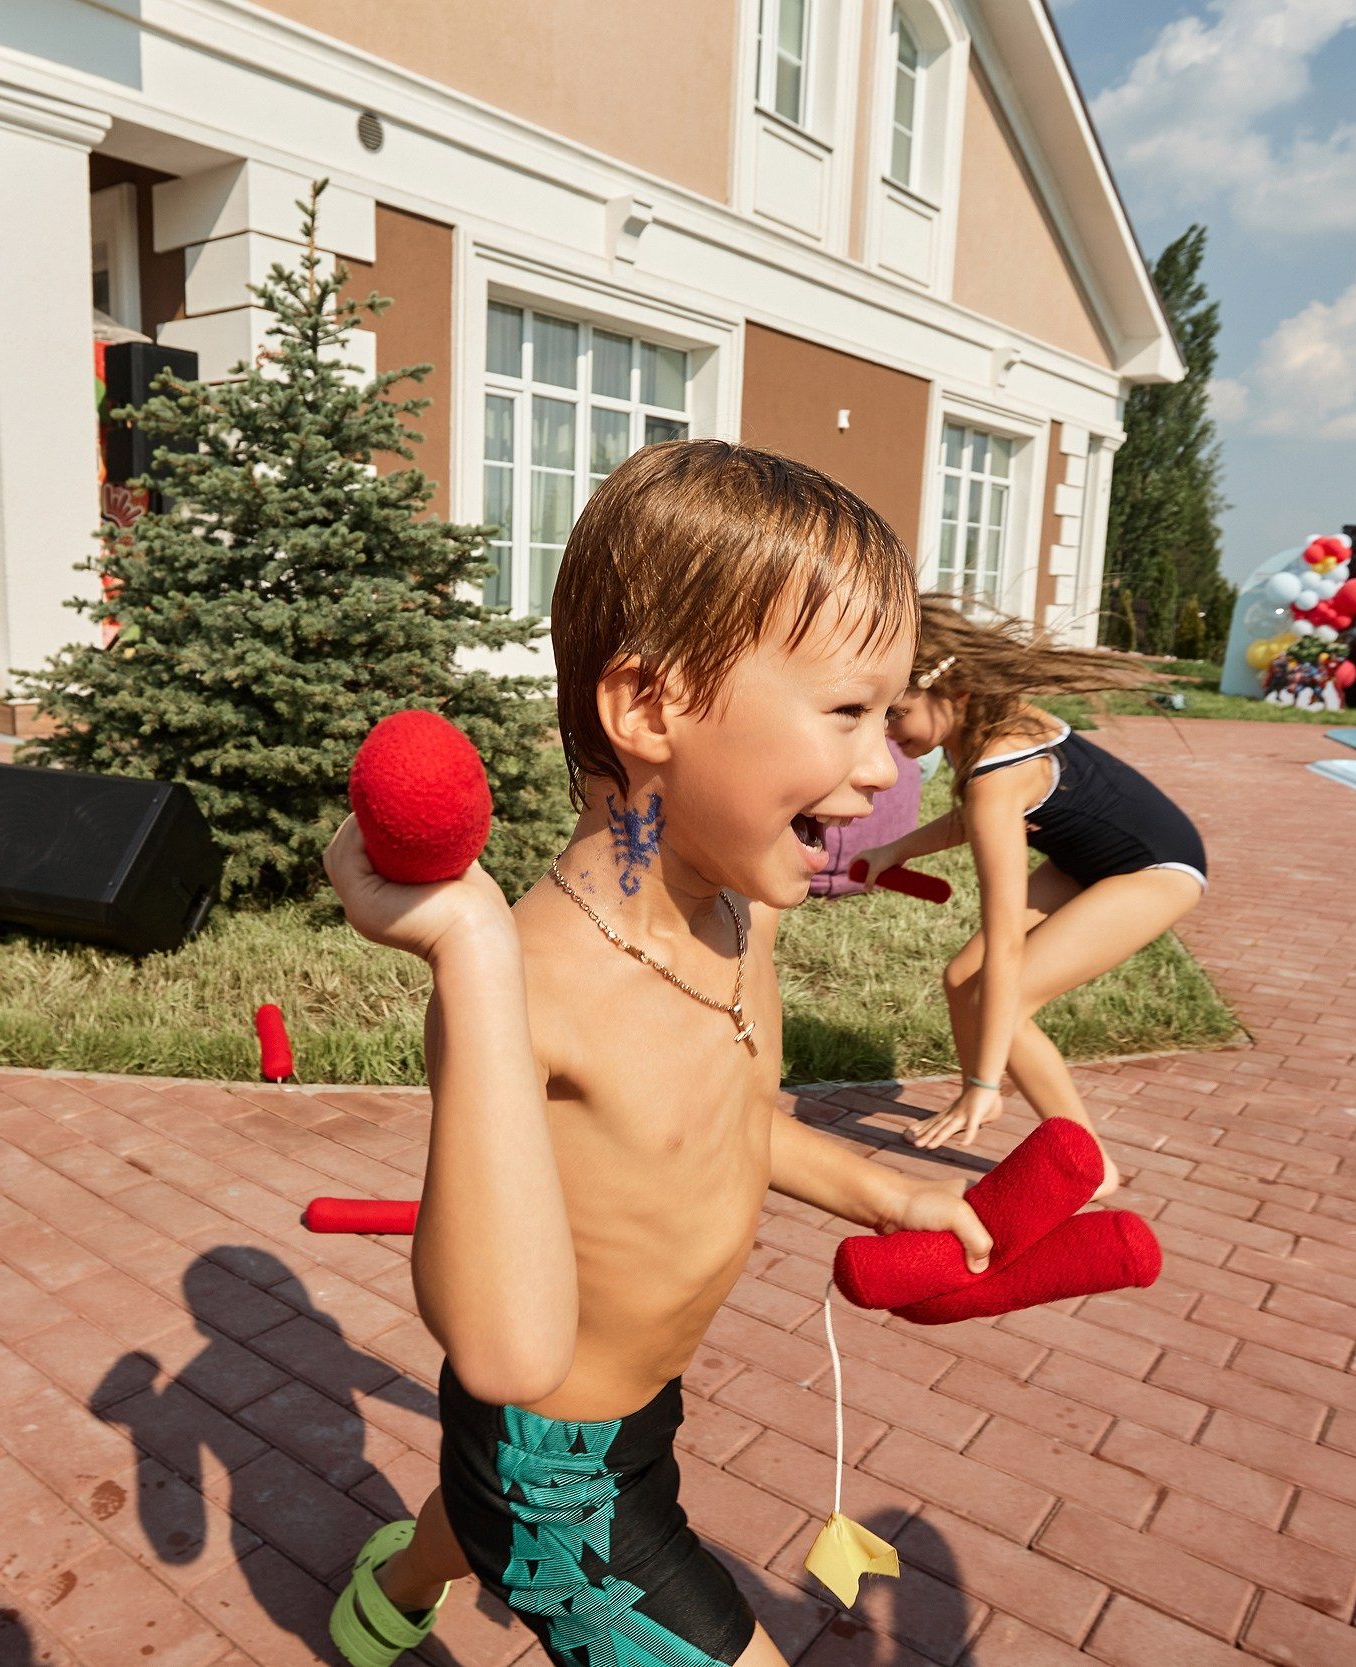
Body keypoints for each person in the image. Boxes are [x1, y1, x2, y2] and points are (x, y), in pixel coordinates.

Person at [322, 441, 994, 1667]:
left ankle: (399, 1581)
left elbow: (723, 1119)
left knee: (473, 1520)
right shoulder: (530, 988)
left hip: (635, 1411)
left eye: (887, 716)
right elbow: (504, 1354)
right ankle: (438, 1551)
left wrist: (893, 1186)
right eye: (846, 710)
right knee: (515, 1515)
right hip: (557, 1474)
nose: (883, 768)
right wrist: (464, 945)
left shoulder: (738, 911)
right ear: (648, 709)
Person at [853, 597, 1206, 1189]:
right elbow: (977, 816)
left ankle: (1091, 1168)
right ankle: (977, 1099)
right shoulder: (984, 730)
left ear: (956, 689)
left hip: (1158, 869)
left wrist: (986, 1081)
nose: (887, 732)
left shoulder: (997, 768)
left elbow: (1006, 940)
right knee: (963, 979)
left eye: (897, 713)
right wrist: (896, 851)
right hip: (1086, 858)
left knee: (1006, 998)